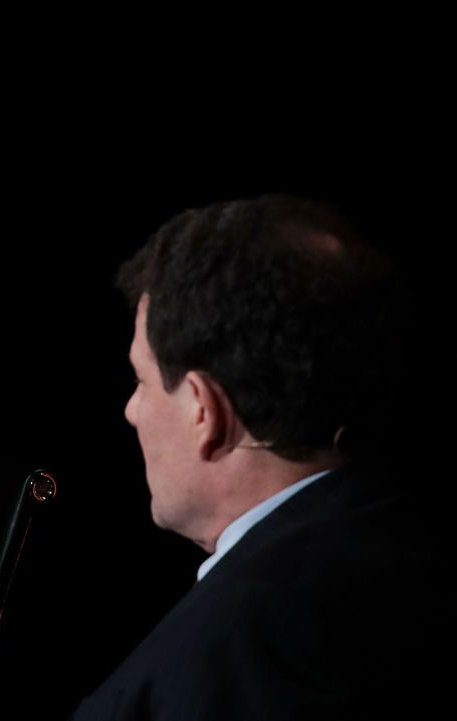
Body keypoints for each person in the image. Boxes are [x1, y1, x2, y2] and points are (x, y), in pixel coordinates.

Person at [70, 194, 454, 720]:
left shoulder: (244, 652)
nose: (131, 410)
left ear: (205, 411)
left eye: (141, 379)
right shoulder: (415, 554)